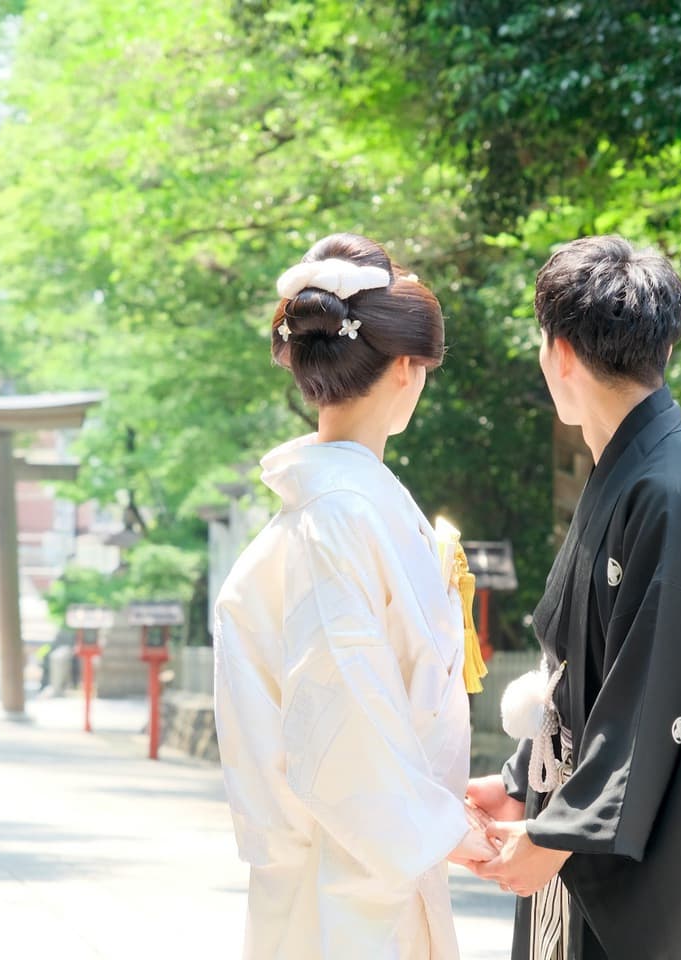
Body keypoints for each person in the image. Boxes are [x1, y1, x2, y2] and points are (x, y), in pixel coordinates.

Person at [467, 236, 681, 959]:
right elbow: (585, 675)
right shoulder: (630, 473)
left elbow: (654, 695)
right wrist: (523, 785)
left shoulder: (672, 491)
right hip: (594, 832)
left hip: (674, 872)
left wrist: (560, 832)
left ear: (561, 354)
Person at [213, 233, 495, 960]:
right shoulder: (340, 518)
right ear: (407, 368)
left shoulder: (331, 514)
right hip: (346, 892)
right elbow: (343, 722)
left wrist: (435, 817)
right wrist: (444, 827)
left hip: (356, 871)